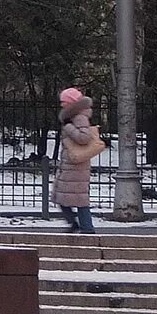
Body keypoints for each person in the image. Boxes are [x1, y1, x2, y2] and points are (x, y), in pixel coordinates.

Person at [55, 87, 104, 233]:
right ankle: (77, 224)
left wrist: (69, 128)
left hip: (77, 167)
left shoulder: (79, 117)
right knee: (62, 198)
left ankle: (86, 228)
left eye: (64, 102)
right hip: (70, 165)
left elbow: (84, 137)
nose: (62, 105)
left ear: (71, 104)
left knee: (80, 200)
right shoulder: (72, 117)